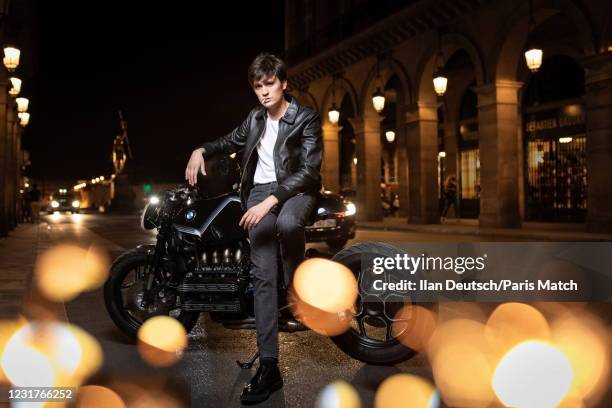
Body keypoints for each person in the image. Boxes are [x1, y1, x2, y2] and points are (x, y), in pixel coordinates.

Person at [184, 53, 322, 404]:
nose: (263, 91)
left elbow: (309, 171)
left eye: (269, 84)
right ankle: (270, 367)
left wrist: (270, 202)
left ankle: (297, 290)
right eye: (257, 86)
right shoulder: (255, 118)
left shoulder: (304, 117)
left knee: (289, 223)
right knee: (261, 275)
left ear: (283, 83)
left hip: (295, 190)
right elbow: (230, 142)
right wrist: (201, 149)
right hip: (259, 194)